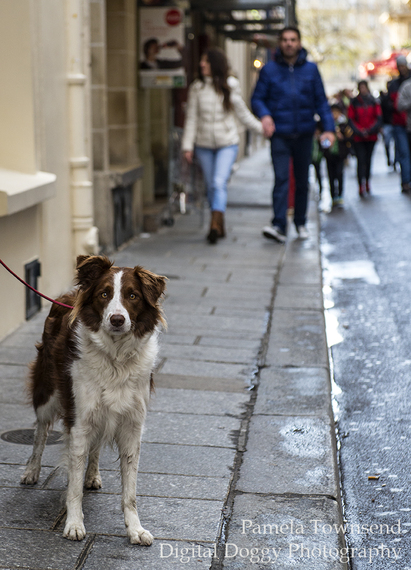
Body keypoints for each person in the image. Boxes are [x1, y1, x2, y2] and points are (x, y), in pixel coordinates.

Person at [251, 26, 335, 243]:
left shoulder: (311, 70)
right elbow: (257, 98)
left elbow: (321, 102)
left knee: (302, 181)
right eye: (285, 39)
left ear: (299, 42)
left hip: (305, 134)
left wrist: (329, 129)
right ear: (280, 43)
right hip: (280, 134)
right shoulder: (268, 70)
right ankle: (278, 224)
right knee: (281, 179)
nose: (289, 43)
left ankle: (300, 222)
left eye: (293, 39)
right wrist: (265, 115)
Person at [182, 47, 264, 244]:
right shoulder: (197, 88)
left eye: (206, 61)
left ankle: (213, 225)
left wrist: (262, 129)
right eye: (202, 61)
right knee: (211, 186)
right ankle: (220, 222)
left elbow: (242, 113)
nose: (202, 64)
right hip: (203, 145)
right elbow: (192, 118)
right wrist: (187, 146)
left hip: (227, 144)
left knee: (219, 183)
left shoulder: (230, 85)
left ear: (215, 64)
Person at [347, 80, 382, 197]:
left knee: (368, 160)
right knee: (360, 160)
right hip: (358, 137)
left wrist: (370, 130)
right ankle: (360, 184)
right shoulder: (354, 102)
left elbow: (378, 118)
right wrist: (360, 131)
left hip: (371, 136)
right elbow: (351, 119)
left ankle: (367, 181)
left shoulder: (373, 101)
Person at [388, 56, 411, 193]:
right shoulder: (396, 84)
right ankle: (406, 180)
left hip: (407, 124)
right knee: (404, 153)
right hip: (399, 124)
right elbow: (395, 105)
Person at [324, 104, 352, 208]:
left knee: (339, 174)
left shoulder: (343, 125)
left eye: (336, 112)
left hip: (340, 154)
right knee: (331, 175)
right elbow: (322, 141)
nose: (334, 115)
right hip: (329, 154)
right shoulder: (327, 126)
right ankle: (333, 196)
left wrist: (342, 137)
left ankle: (340, 195)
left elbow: (349, 138)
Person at [396, 73, 411, 193]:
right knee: (406, 155)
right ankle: (406, 181)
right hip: (407, 128)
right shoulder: (406, 86)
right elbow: (399, 105)